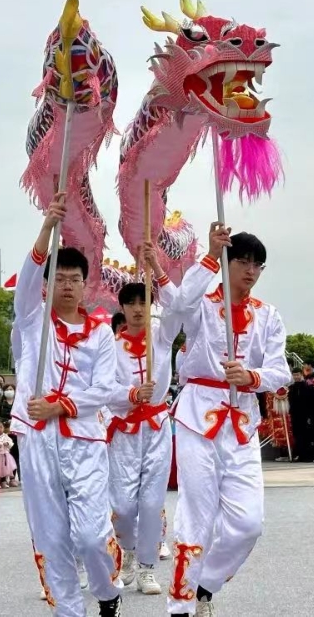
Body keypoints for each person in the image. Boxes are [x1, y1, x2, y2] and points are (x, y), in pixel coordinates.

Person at [164, 223, 290, 617]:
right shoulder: (202, 304)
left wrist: (252, 378)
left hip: (241, 420)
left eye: (258, 264)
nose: (250, 270)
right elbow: (179, 304)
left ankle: (206, 583)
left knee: (248, 523)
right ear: (226, 262)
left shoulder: (268, 316)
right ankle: (181, 605)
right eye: (242, 261)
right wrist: (208, 255)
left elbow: (280, 370)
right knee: (196, 514)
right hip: (198, 415)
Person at [10, 191, 123, 616]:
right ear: (47, 283)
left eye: (75, 279)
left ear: (85, 284)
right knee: (51, 536)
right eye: (60, 277)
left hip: (84, 441)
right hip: (37, 441)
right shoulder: (32, 319)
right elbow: (25, 283)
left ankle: (107, 591)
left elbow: (106, 388)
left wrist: (62, 405)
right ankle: (69, 611)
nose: (68, 285)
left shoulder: (100, 333)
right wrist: (45, 230)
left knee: (92, 537)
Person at [107, 243, 180, 596]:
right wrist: (131, 395)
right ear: (121, 308)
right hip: (123, 431)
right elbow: (104, 390)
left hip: (157, 428)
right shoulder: (109, 348)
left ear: (150, 305)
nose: (137, 309)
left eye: (143, 303)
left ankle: (149, 567)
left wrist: (157, 266)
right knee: (122, 505)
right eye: (131, 304)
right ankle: (129, 551)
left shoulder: (163, 339)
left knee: (152, 502)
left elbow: (179, 307)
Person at [287, 367, 314, 462]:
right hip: (295, 414)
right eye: (294, 375)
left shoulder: (307, 387)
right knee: (296, 434)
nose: (296, 377)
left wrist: (309, 415)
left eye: (298, 375)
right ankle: (298, 454)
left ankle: (306, 455)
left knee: (305, 434)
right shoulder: (291, 388)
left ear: (301, 375)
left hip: (305, 415)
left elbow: (310, 402)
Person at [0, 420, 18, 487]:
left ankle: (9, 480)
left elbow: (11, 443)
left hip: (6, 455)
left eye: (1, 427)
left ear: (4, 428)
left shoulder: (6, 436)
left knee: (9, 468)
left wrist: (7, 443)